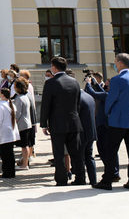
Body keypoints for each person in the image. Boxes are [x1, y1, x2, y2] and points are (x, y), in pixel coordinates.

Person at [95, 53, 129, 190]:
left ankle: (107, 180)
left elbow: (111, 100)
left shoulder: (117, 80)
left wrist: (107, 112)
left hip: (118, 120)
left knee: (111, 151)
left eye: (115, 62)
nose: (114, 64)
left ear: (120, 63)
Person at [40, 56, 85, 186]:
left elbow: (46, 105)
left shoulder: (50, 83)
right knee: (76, 153)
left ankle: (61, 179)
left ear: (54, 67)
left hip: (57, 123)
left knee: (59, 153)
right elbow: (77, 103)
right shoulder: (74, 82)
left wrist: (44, 123)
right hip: (74, 121)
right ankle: (80, 178)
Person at [0, 86, 20, 178]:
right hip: (10, 133)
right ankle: (11, 172)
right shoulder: (11, 105)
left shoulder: (0, 107)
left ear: (2, 95)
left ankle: (7, 173)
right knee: (10, 154)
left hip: (3, 134)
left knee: (4, 155)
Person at [73, 73, 97, 186]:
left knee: (79, 157)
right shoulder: (89, 96)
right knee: (89, 156)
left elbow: (74, 115)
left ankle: (80, 179)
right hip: (91, 131)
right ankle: (93, 180)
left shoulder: (77, 98)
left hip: (81, 132)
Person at [13, 78, 32, 170]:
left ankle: (25, 164)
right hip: (27, 123)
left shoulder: (19, 99)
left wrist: (13, 122)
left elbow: (17, 113)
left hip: (22, 124)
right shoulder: (25, 97)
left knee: (24, 146)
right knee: (26, 145)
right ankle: (25, 163)